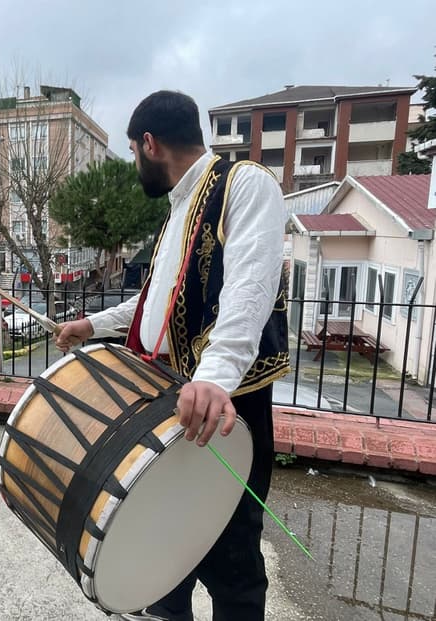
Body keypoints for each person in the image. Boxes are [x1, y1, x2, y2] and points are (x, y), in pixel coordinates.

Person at [55, 91, 290, 621]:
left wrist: (212, 379)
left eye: (133, 152)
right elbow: (158, 303)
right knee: (166, 547)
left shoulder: (244, 183)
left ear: (149, 144)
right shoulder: (180, 206)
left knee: (231, 563)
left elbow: (250, 289)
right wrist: (93, 324)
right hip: (169, 397)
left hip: (226, 406)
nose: (134, 164)